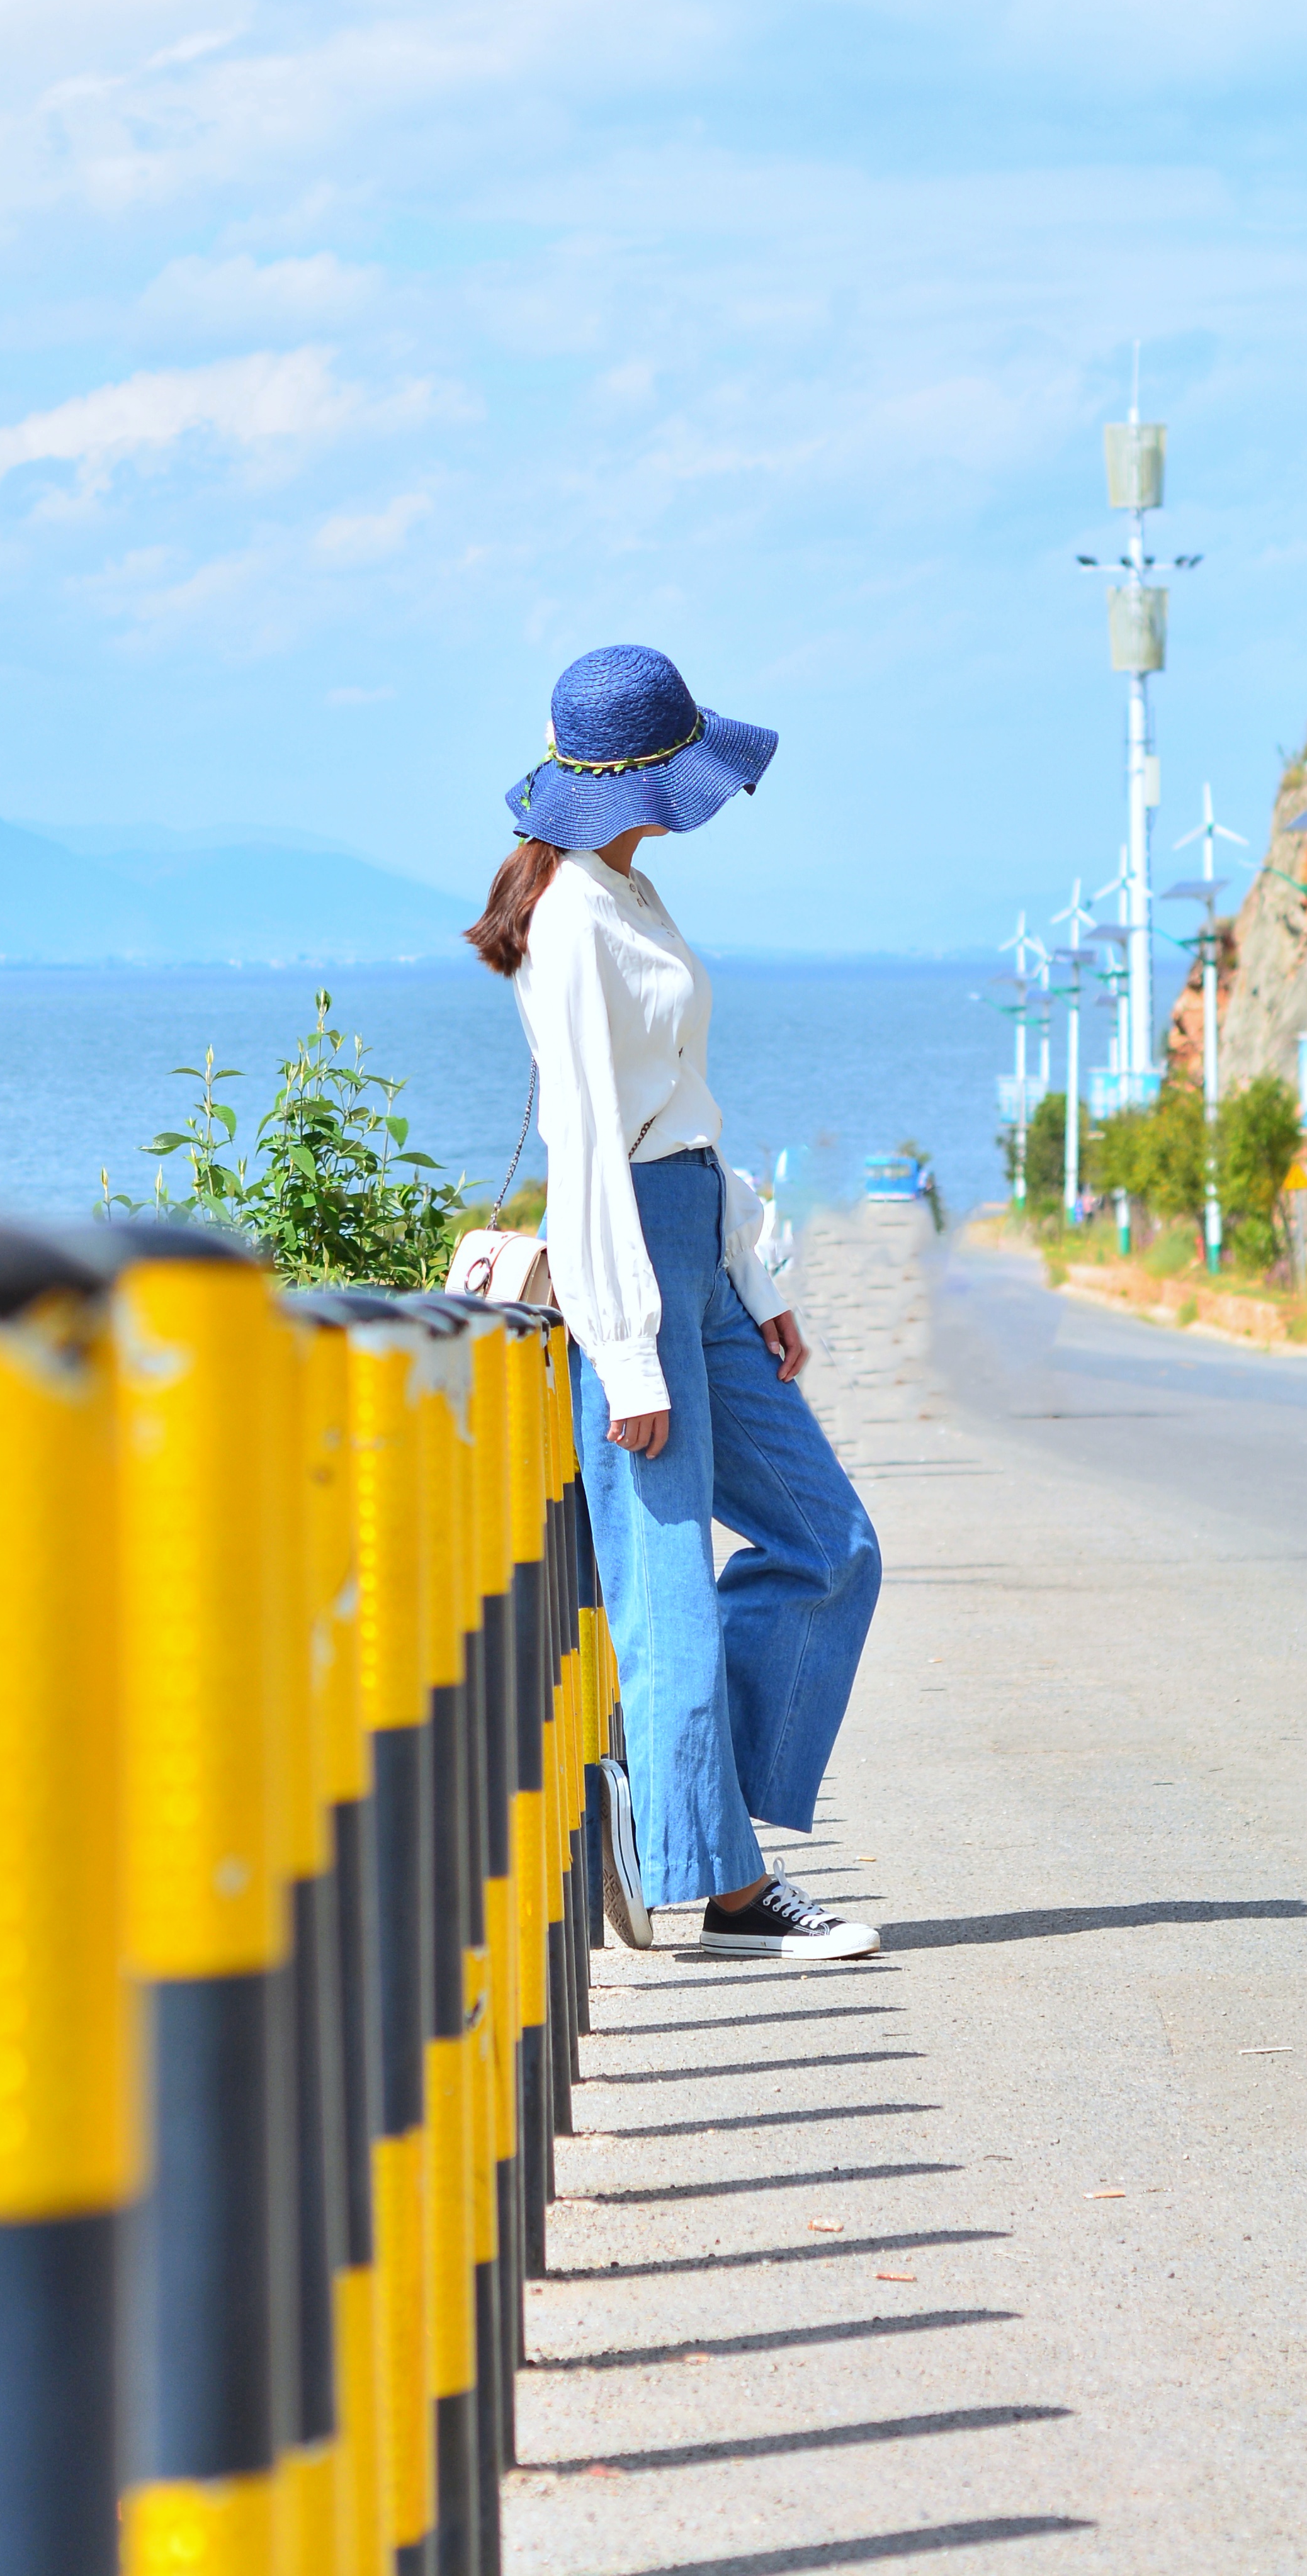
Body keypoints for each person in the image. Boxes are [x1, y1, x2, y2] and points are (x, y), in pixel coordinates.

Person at [468, 643, 882, 1962]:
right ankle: (714, 1885)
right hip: (628, 1259)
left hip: (695, 1235)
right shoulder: (576, 920)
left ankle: (680, 1818)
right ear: (645, 774)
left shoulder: (620, 890)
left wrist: (750, 1274)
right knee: (664, 1590)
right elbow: (590, 1143)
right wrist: (627, 1355)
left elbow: (679, 1112)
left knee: (827, 1547)